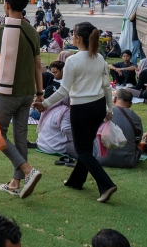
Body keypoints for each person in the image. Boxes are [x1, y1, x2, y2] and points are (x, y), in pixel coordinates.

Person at [35, 22, 117, 203]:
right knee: (85, 148)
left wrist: (45, 104)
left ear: (78, 38)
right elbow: (106, 87)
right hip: (98, 107)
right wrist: (109, 109)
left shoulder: (72, 60)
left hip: (81, 108)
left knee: (82, 150)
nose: (71, 36)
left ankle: (106, 184)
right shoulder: (100, 58)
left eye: (73, 34)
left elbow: (64, 90)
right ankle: (76, 181)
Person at [0, 0, 46, 200]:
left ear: (7, 4)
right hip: (28, 93)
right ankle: (15, 183)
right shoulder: (33, 31)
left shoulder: (2, 30)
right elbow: (38, 66)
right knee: (20, 136)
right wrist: (39, 93)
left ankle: (28, 170)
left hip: (9, 93)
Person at [103, 89, 143, 169]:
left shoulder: (103, 113)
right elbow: (137, 141)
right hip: (127, 161)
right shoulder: (136, 118)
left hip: (101, 158)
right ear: (130, 104)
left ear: (114, 99)